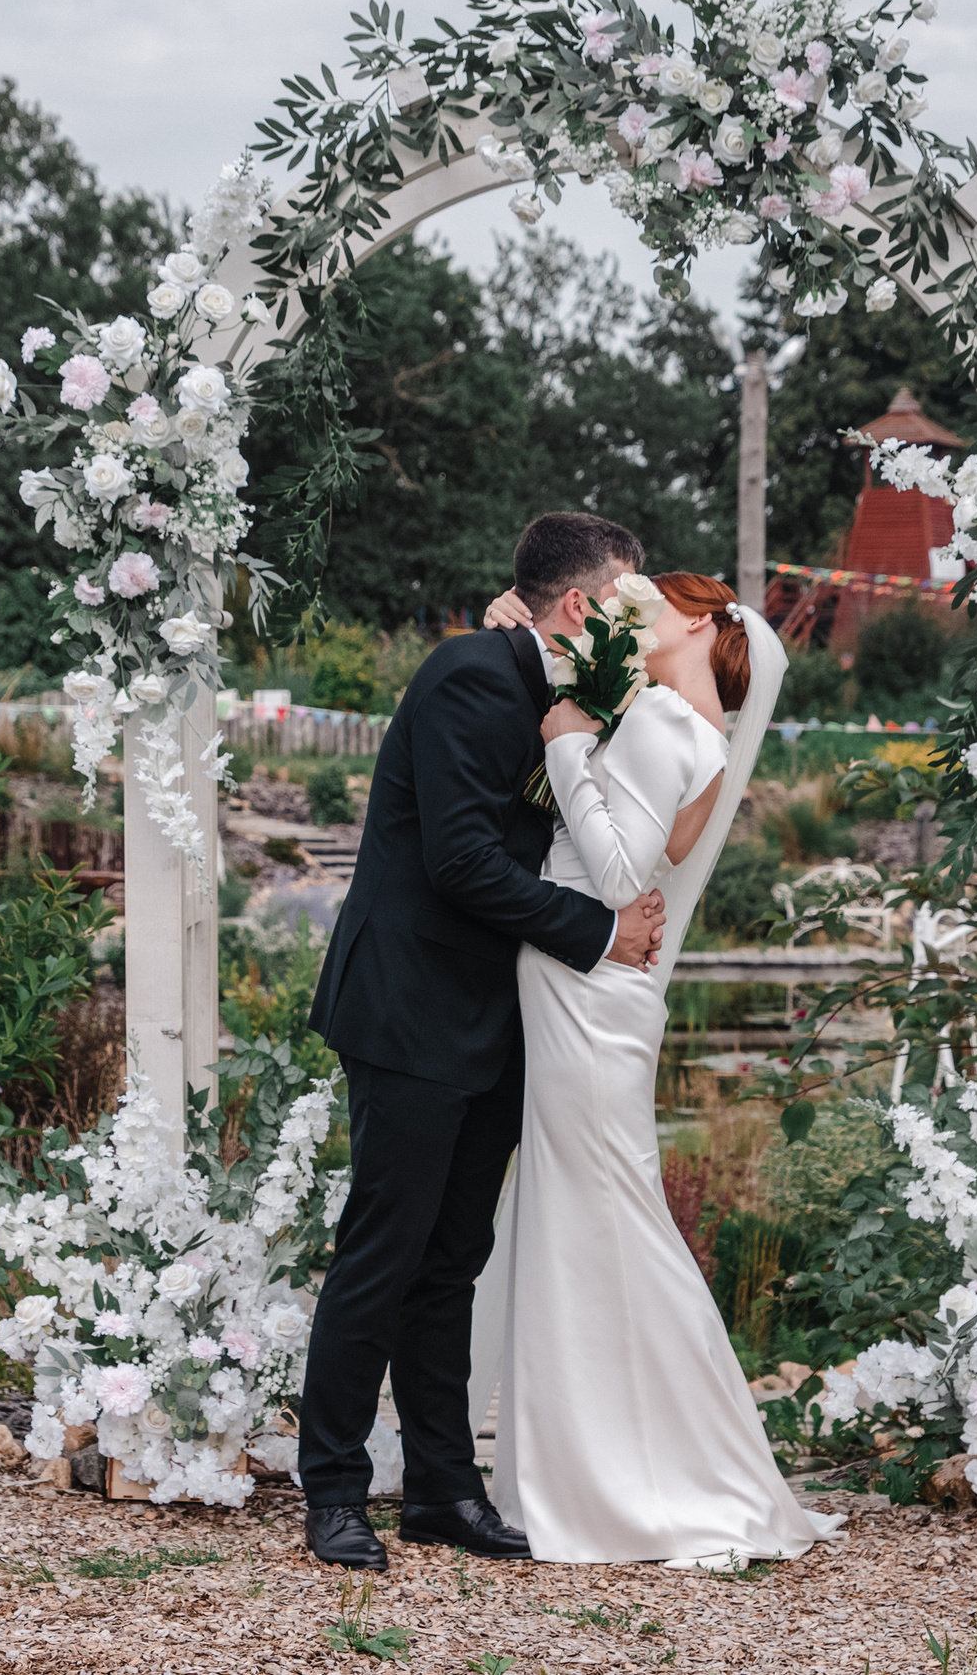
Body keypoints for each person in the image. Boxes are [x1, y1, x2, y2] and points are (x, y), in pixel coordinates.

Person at [298, 512, 670, 1573]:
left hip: (494, 1018)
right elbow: (460, 858)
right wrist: (602, 934)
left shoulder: (567, 704)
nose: (637, 634)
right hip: (411, 1007)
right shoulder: (468, 675)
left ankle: (441, 1491)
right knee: (382, 1253)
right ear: (579, 607)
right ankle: (332, 1489)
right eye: (627, 608)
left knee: (451, 1262)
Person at [476, 571, 845, 1568]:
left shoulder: (660, 726)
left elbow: (613, 875)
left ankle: (615, 1479)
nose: (619, 615)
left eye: (639, 602)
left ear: (690, 622)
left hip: (581, 990)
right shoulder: (703, 742)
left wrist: (560, 741)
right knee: (599, 1217)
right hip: (598, 994)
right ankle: (619, 1463)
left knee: (601, 1219)